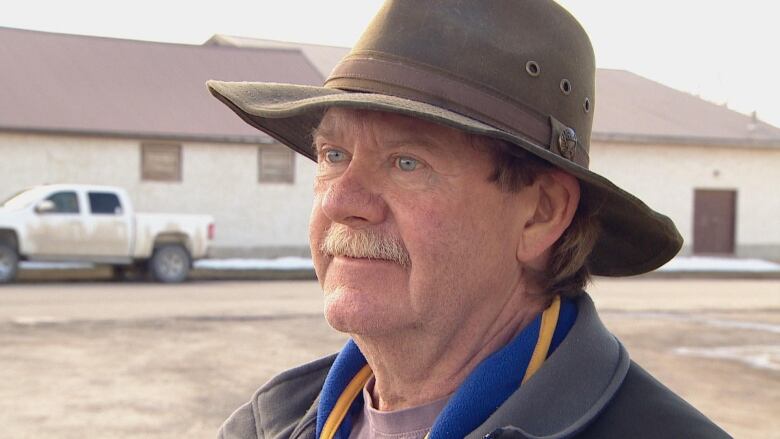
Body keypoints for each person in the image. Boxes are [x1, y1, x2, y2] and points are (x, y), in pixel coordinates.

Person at [208, 1, 730, 437]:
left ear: (541, 214)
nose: (340, 202)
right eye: (333, 156)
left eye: (406, 162)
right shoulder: (267, 425)